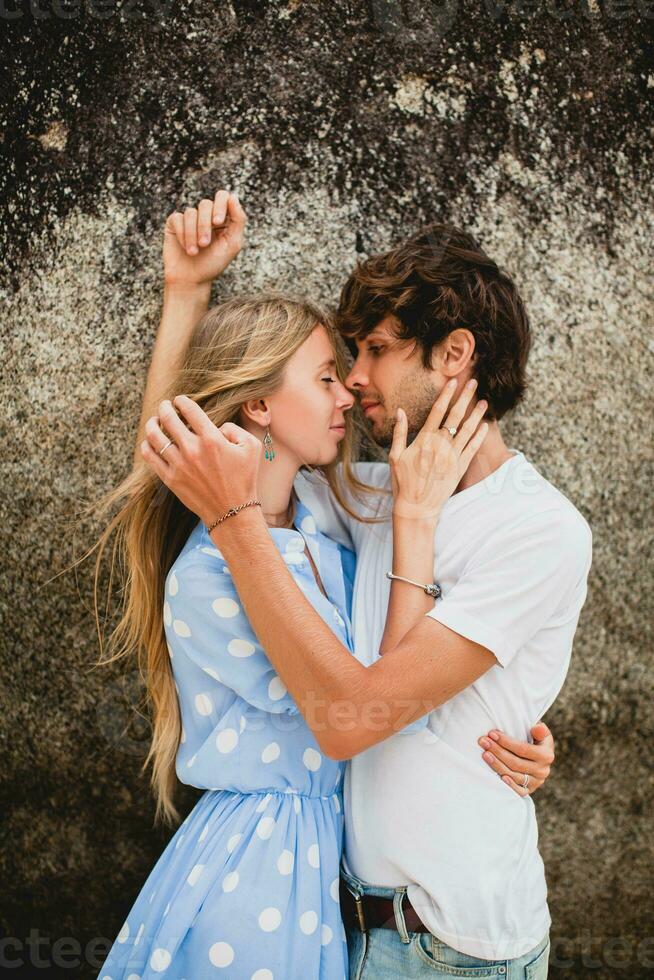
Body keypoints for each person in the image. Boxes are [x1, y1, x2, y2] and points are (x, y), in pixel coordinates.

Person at [140, 195, 591, 979]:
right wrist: (186, 294)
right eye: (343, 359)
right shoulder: (369, 498)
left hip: (451, 945)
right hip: (340, 912)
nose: (353, 379)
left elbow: (357, 718)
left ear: (453, 356)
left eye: (375, 349)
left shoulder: (539, 530)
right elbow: (194, 472)